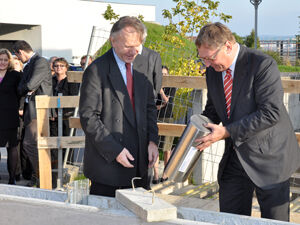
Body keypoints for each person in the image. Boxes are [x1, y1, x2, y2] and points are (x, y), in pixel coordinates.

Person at [194, 22, 300, 222]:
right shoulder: (212, 71)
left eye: (210, 58)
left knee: (273, 221)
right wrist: (194, 135)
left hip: (270, 158)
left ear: (227, 46)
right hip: (235, 158)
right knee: (231, 219)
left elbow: (271, 112)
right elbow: (214, 109)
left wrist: (226, 132)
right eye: (203, 59)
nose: (207, 64)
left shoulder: (262, 64)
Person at [79, 16, 159, 197]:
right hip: (109, 166)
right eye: (127, 46)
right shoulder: (96, 71)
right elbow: (88, 117)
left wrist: (153, 141)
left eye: (137, 46)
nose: (133, 52)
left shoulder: (142, 67)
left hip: (139, 164)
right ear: (112, 41)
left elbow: (149, 108)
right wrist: (114, 150)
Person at [13, 40, 52, 187]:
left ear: (20, 52)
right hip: (32, 109)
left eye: (17, 56)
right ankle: (40, 176)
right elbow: (24, 87)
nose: (19, 60)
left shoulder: (40, 62)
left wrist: (26, 88)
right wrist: (26, 88)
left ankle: (42, 176)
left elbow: (29, 85)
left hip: (39, 110)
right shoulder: (31, 63)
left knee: (30, 143)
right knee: (32, 144)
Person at [0, 48, 22, 184]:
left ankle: (12, 177)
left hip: (9, 116)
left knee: (12, 147)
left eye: (5, 60)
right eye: (0, 60)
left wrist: (21, 109)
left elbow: (22, 93)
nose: (2, 62)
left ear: (9, 61)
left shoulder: (15, 75)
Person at [153, 65, 176, 184]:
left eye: (165, 74)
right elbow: (152, 104)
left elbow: (167, 102)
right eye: (161, 74)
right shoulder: (153, 86)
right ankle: (156, 175)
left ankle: (165, 174)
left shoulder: (172, 87)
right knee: (155, 147)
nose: (163, 76)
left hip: (167, 119)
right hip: (155, 119)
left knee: (167, 149)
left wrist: (161, 91)